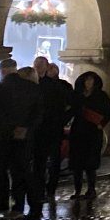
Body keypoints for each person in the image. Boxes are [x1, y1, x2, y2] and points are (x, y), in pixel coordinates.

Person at [0, 58, 42, 220]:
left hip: (1, 138)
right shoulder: (32, 88)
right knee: (23, 173)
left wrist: (11, 128)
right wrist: (25, 128)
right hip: (24, 138)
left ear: (2, 71)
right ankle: (26, 206)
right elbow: (38, 114)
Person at [32, 56, 74, 199]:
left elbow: (70, 105)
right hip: (37, 130)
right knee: (39, 161)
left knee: (53, 160)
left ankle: (50, 189)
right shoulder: (32, 85)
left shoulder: (56, 86)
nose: (37, 67)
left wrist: (61, 120)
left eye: (40, 65)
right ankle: (39, 188)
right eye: (36, 64)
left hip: (53, 128)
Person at [69, 71, 110, 199]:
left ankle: (91, 189)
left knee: (90, 163)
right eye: (87, 80)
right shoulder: (77, 95)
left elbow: (108, 111)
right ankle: (77, 190)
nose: (89, 83)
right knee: (77, 163)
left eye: (91, 80)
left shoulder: (101, 96)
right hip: (78, 130)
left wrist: (102, 123)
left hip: (93, 131)